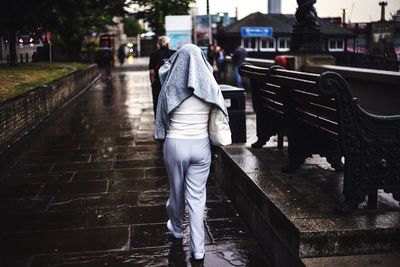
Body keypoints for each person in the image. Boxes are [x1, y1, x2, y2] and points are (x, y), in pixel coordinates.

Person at [154, 44, 228, 262]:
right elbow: (221, 112)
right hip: (201, 145)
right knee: (197, 198)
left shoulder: (170, 87)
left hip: (175, 144)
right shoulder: (211, 86)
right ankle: (198, 249)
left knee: (176, 192)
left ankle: (176, 228)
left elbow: (162, 119)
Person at [148, 36, 175, 117]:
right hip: (171, 83)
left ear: (159, 44)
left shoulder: (153, 55)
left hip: (158, 83)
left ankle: (158, 118)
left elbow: (151, 72)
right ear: (168, 43)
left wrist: (152, 83)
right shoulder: (174, 53)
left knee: (157, 101)